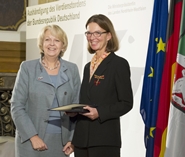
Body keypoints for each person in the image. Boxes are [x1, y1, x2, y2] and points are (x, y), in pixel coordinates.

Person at [11, 24, 81, 157]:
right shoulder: (27, 68)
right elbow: (16, 106)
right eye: (47, 39)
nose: (52, 44)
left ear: (63, 45)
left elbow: (77, 107)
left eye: (57, 40)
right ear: (42, 43)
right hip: (31, 142)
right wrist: (33, 136)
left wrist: (72, 139)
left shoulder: (72, 69)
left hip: (61, 144)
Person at [72, 14, 133, 157]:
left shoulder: (119, 64)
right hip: (81, 141)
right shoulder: (88, 67)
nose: (92, 37)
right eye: (89, 33)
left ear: (109, 35)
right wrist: (74, 112)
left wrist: (99, 113)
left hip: (104, 140)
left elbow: (126, 103)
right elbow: (86, 100)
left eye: (98, 33)